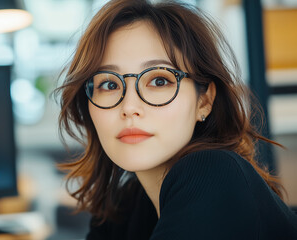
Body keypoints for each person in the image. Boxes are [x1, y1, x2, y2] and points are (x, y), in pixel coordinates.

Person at [55, 0, 297, 239]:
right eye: (109, 84)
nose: (129, 107)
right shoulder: (125, 205)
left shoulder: (215, 174)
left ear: (204, 101)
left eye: (159, 80)